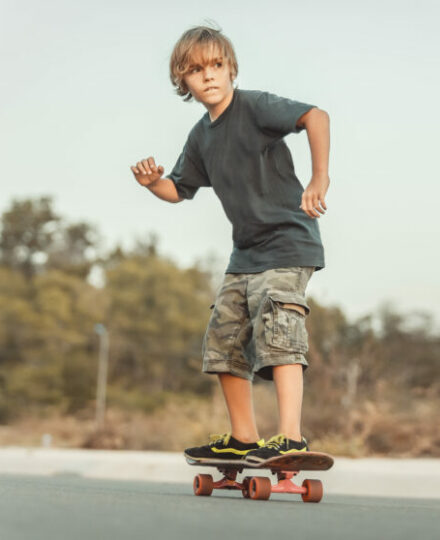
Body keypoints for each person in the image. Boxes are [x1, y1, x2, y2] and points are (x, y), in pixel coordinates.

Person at [130, 25, 330, 464]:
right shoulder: (201, 137)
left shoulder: (254, 106)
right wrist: (152, 184)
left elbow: (316, 116)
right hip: (246, 254)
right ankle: (244, 438)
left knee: (279, 331)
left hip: (289, 242)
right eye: (196, 70)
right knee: (223, 338)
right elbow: (179, 189)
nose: (209, 76)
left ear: (231, 67)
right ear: (183, 81)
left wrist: (319, 177)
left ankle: (291, 437)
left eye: (216, 65)